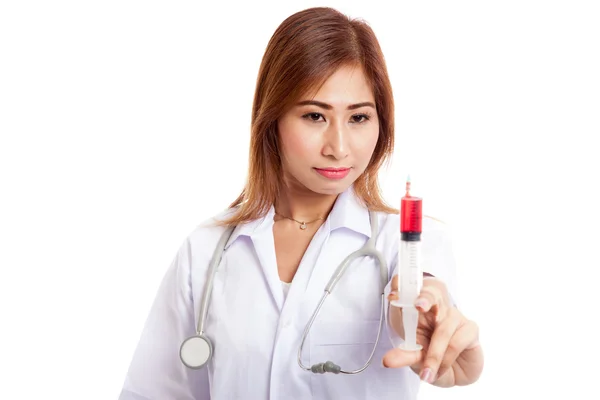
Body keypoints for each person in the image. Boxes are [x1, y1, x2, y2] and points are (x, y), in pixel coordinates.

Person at [118, 6, 483, 400]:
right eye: (314, 116)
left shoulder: (405, 245)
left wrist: (423, 315)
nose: (339, 148)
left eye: (358, 118)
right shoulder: (206, 250)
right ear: (272, 118)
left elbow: (421, 297)